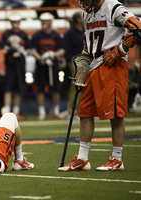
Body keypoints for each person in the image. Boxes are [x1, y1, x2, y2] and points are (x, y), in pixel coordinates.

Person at [58, 0, 141, 172]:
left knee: (115, 113)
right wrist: (83, 61)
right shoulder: (86, 12)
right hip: (93, 65)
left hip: (112, 63)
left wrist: (121, 49)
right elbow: (88, 40)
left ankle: (117, 159)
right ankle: (82, 158)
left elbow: (138, 27)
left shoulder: (113, 6)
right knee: (85, 111)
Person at [30, 12, 65, 120]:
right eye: (42, 21)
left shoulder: (55, 35)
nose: (43, 23)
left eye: (45, 21)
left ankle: (56, 110)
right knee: (40, 88)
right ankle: (41, 111)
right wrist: (40, 58)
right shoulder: (37, 35)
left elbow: (62, 50)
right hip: (41, 65)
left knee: (56, 88)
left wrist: (53, 54)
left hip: (53, 65)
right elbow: (32, 50)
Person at [1, 11, 30, 121]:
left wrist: (23, 52)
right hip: (10, 65)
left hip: (21, 64)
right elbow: (4, 48)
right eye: (13, 21)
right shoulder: (6, 34)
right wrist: (13, 50)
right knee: (8, 88)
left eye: (16, 21)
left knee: (19, 88)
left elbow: (29, 49)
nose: (15, 23)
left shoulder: (23, 34)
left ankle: (16, 111)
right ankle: (7, 111)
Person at [63, 12, 84, 118]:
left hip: (87, 59)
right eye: (81, 17)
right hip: (75, 59)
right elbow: (66, 49)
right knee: (76, 85)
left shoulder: (85, 30)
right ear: (78, 20)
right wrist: (73, 60)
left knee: (88, 85)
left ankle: (86, 109)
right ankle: (73, 110)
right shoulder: (70, 32)